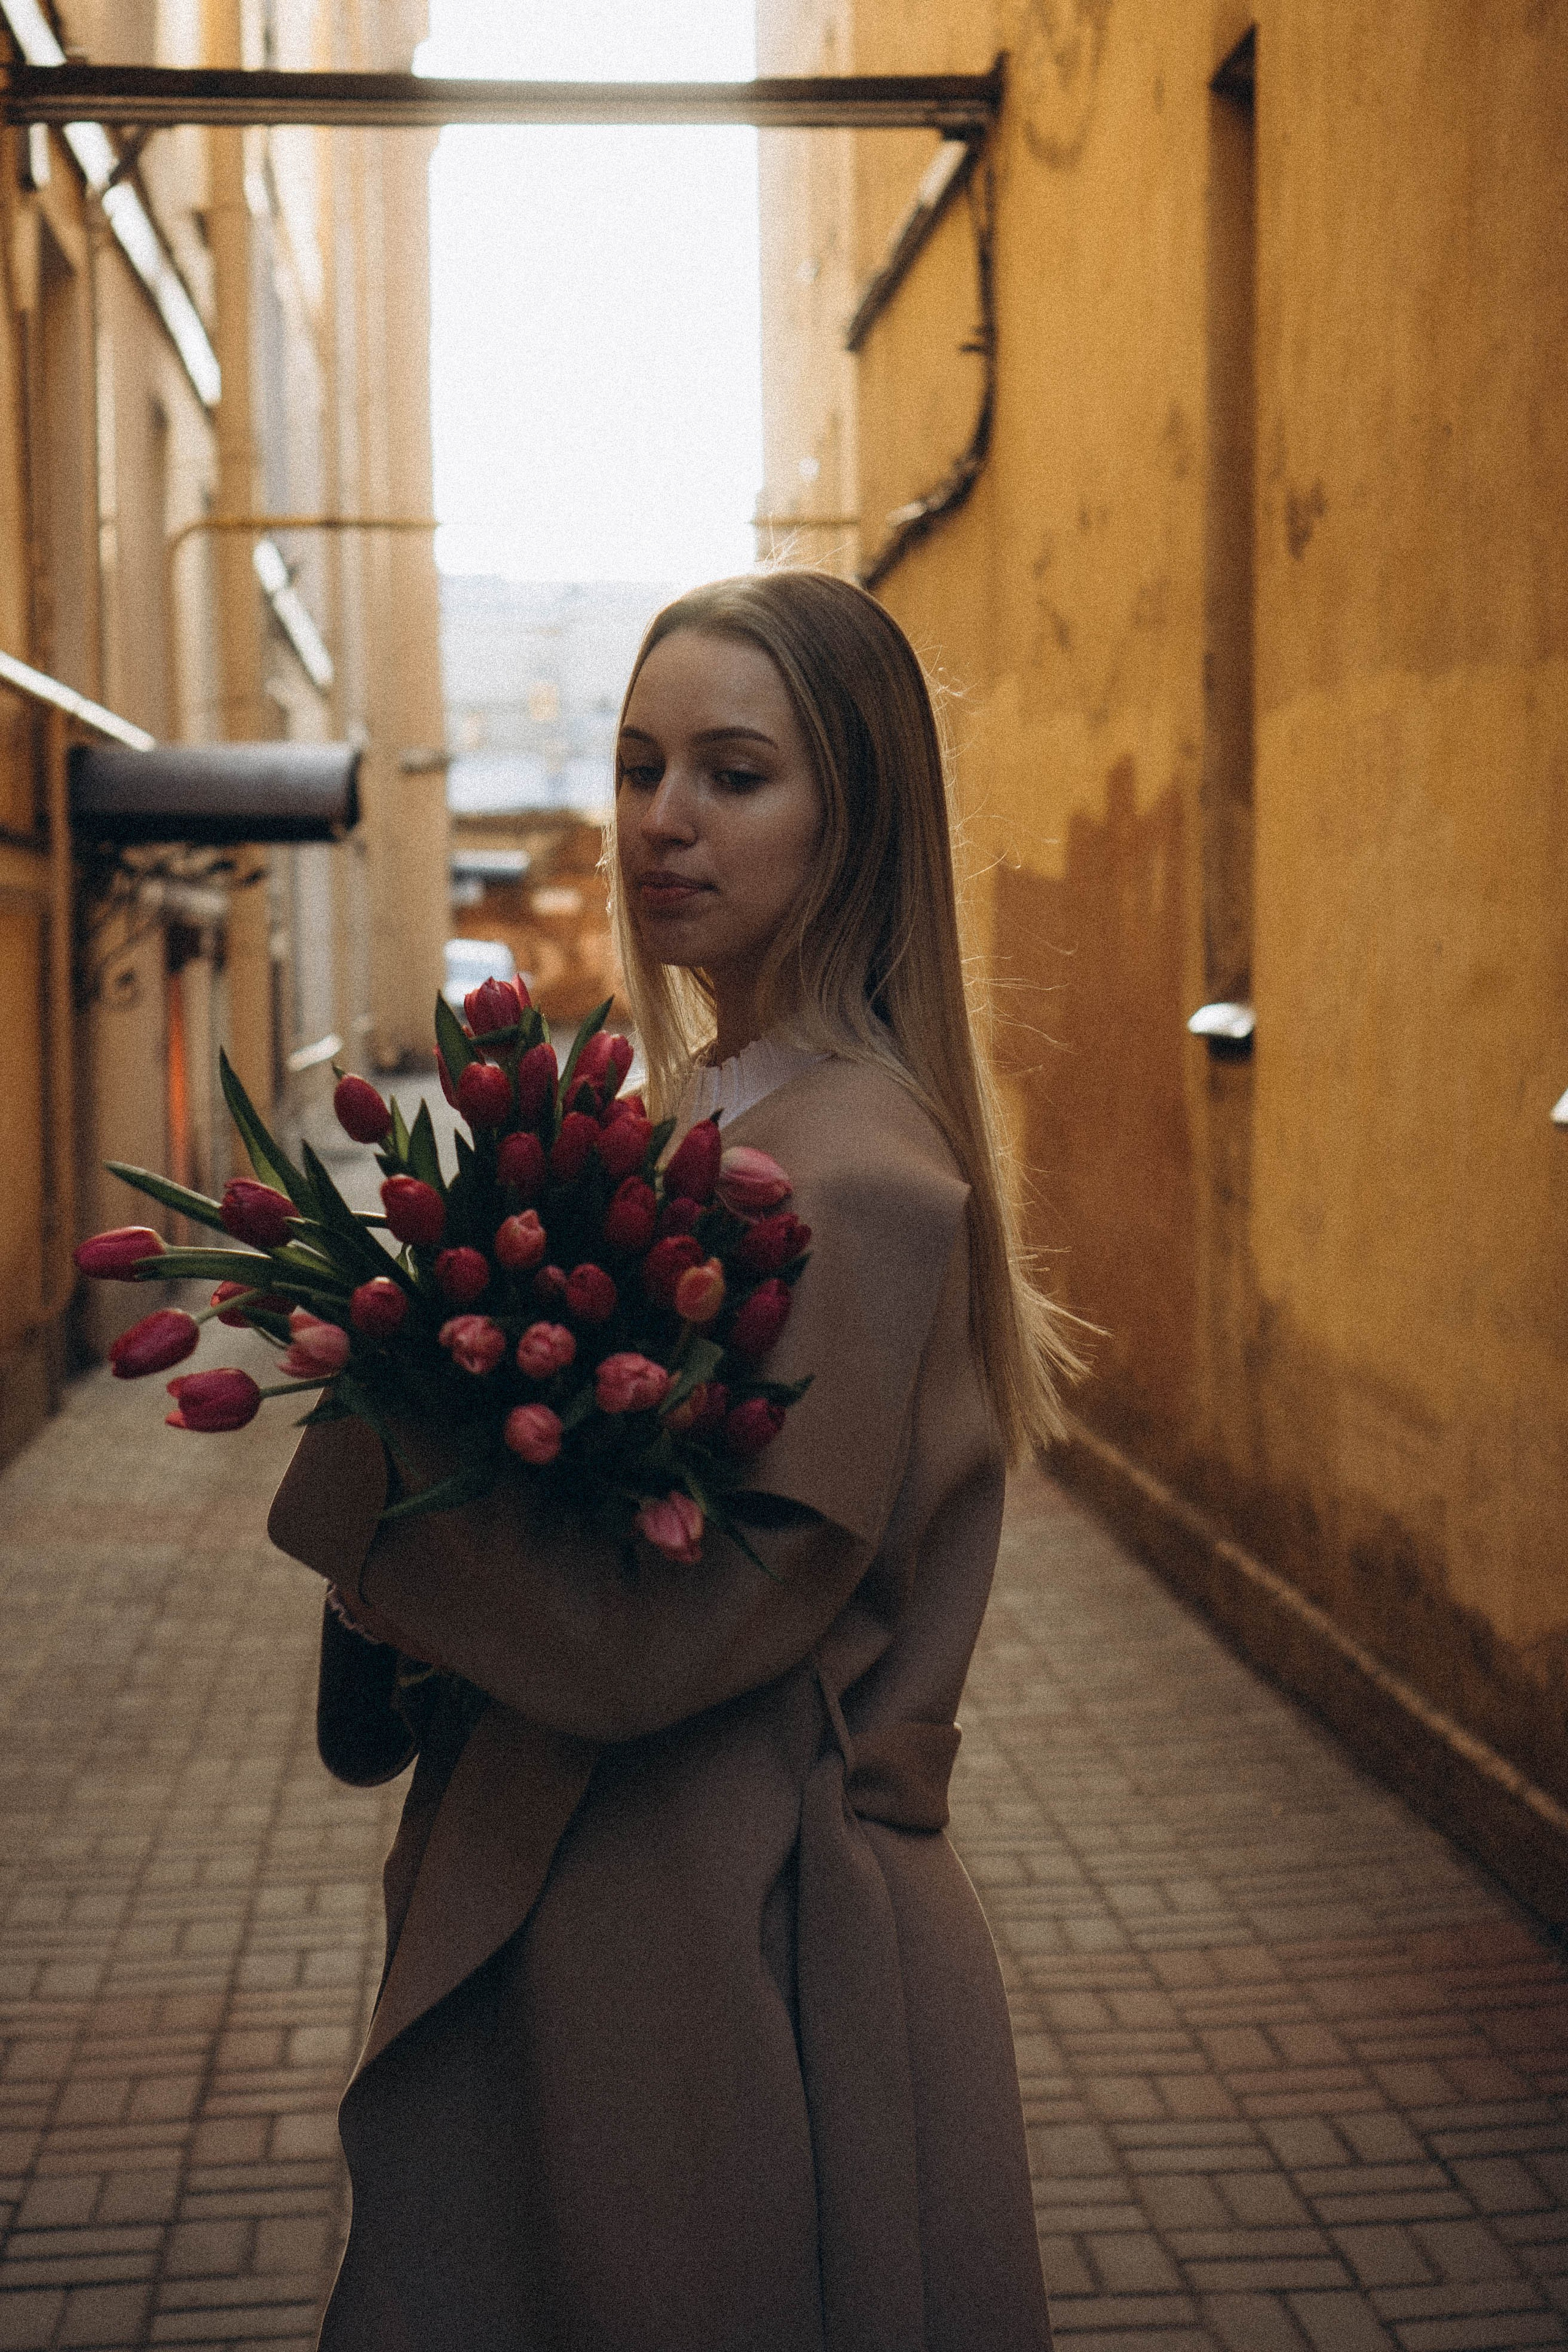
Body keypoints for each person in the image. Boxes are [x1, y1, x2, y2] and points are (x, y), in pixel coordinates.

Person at [267, 570, 1079, 2351]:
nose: (661, 823)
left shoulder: (848, 1169)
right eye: (640, 767)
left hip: (737, 1950)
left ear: (854, 815)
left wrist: (377, 1454)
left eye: (733, 774)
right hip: (649, 1913)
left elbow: (664, 1639)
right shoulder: (704, 1112)